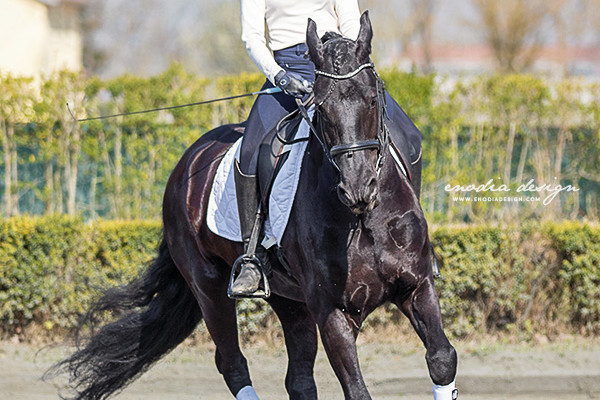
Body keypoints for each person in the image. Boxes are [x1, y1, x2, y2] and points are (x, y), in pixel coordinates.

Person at [230, 0, 423, 296]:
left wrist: (352, 62)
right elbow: (252, 37)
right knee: (250, 153)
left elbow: (348, 19)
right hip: (286, 68)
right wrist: (279, 76)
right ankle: (252, 256)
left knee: (409, 136)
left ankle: (417, 241)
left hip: (340, 64)